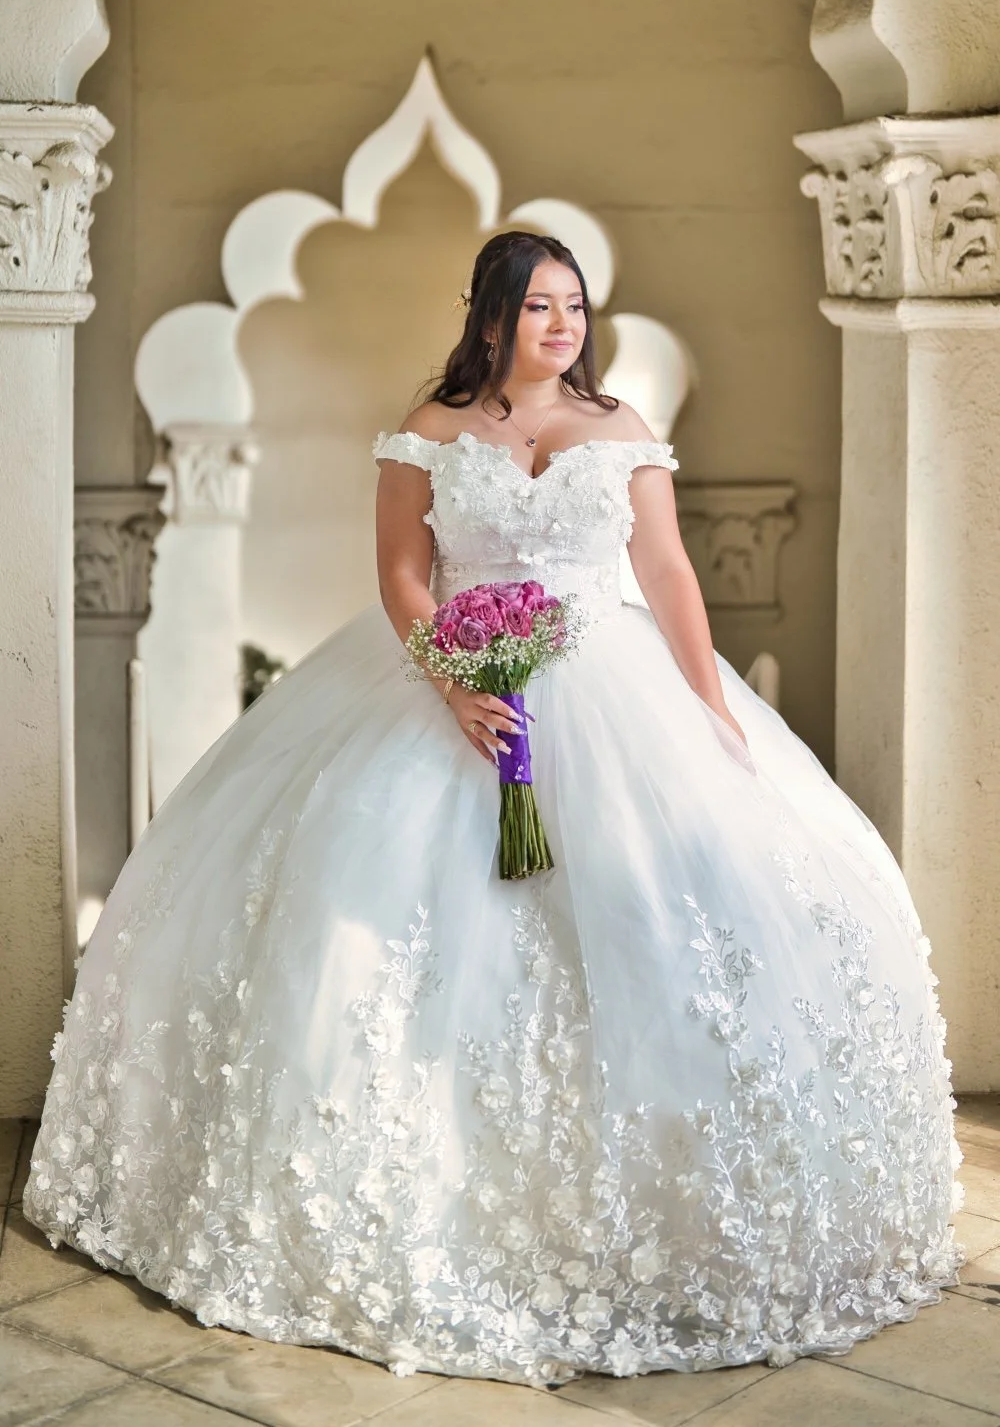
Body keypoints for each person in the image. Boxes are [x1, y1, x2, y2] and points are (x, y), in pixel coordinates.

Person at [24, 230, 961, 1389]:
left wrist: (710, 707)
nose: (562, 326)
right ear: (490, 317)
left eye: (575, 306)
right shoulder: (431, 427)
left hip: (610, 686)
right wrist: (456, 685)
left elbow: (667, 572)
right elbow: (401, 574)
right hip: (446, 682)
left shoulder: (619, 427)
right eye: (538, 307)